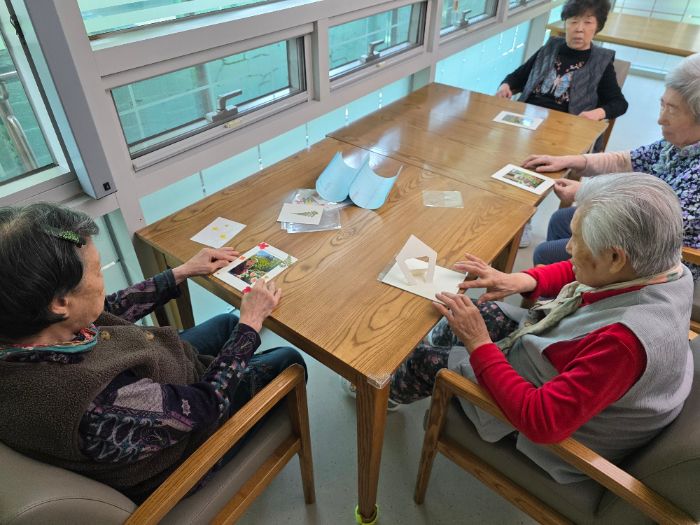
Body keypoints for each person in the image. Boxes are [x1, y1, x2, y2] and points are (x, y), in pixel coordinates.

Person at [390, 173, 694, 483]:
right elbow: (591, 271)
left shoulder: (623, 344)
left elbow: (542, 422)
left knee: (423, 361)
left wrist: (479, 344)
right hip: (566, 364)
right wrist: (523, 280)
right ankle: (445, 346)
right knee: (481, 312)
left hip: (558, 433)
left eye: (578, 240)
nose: (569, 248)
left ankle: (387, 395)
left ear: (615, 257)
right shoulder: (666, 269)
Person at [0, 202, 306, 502]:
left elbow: (104, 312)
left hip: (159, 379)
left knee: (227, 323)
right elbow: (206, 405)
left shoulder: (28, 328)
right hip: (187, 448)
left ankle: (238, 364)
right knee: (287, 360)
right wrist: (250, 325)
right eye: (97, 270)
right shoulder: (96, 403)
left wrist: (181, 272)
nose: (102, 278)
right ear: (60, 303)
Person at [523, 52, 700, 283]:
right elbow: (627, 160)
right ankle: (568, 289)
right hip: (638, 226)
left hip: (659, 253)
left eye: (673, 110)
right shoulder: (679, 142)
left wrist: (585, 192)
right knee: (561, 220)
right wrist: (570, 160)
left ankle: (572, 290)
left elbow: (653, 221)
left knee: (545, 254)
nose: (660, 119)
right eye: (662, 105)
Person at [496, 0, 628, 123]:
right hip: (526, 119)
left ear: (598, 27)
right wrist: (505, 86)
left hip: (567, 126)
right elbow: (517, 77)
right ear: (565, 24)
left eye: (588, 22)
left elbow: (619, 103)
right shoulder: (549, 48)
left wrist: (597, 113)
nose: (579, 29)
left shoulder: (601, 61)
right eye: (573, 21)